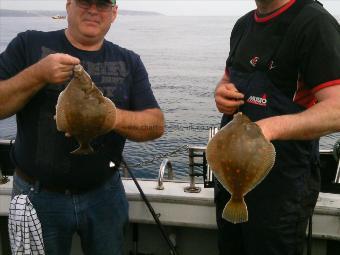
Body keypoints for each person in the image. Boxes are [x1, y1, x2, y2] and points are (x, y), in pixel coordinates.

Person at [0, 0, 164, 254]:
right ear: (68, 6)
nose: (93, 10)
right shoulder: (28, 44)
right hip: (37, 195)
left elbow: (156, 125)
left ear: (114, 12)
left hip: (105, 195)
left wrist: (108, 117)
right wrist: (38, 74)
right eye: (85, 1)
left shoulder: (129, 61)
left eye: (102, 4)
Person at [214, 0, 340, 254]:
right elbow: (229, 77)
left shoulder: (315, 23)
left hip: (282, 185)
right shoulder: (243, 25)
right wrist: (221, 92)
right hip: (231, 178)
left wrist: (270, 128)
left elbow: (337, 109)